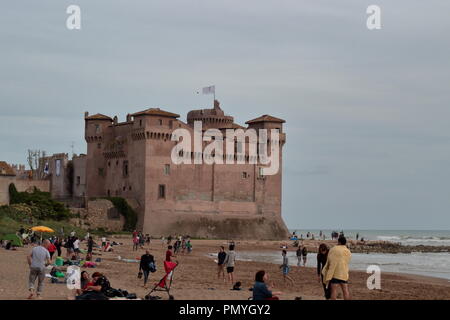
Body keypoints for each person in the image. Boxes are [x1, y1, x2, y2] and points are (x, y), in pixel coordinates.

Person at [322, 236, 352, 300]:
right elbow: (347, 260)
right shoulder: (348, 251)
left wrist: (326, 269)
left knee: (334, 290)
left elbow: (329, 260)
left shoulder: (334, 249)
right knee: (345, 291)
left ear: (339, 242)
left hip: (335, 273)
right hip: (344, 273)